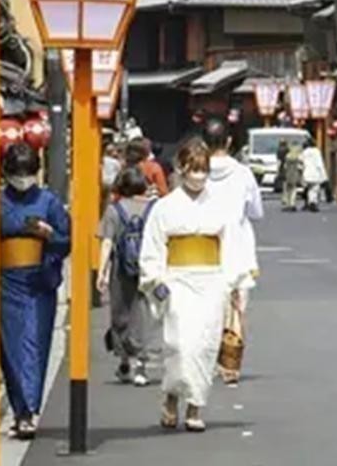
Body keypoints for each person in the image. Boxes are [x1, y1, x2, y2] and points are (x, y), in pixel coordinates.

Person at [140, 138, 236, 433]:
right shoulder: (164, 207)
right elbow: (153, 247)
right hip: (177, 280)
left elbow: (232, 246)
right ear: (181, 169)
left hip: (211, 280)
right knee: (180, 344)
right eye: (194, 169)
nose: (199, 176)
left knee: (205, 345)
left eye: (204, 170)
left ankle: (195, 405)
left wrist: (233, 283)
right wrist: (155, 279)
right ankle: (171, 396)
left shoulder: (220, 205)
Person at [0, 143, 71, 439]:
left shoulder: (48, 201)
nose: (22, 178)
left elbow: (65, 240)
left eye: (27, 172)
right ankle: (20, 410)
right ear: (6, 172)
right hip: (5, 281)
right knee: (10, 349)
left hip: (38, 280)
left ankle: (29, 410)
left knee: (35, 344)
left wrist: (49, 235)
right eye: (17, 173)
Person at [202, 117, 262, 385]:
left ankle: (208, 359)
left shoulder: (196, 172)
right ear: (228, 141)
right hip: (237, 248)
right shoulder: (243, 174)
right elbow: (256, 211)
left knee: (208, 308)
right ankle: (230, 364)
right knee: (237, 305)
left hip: (204, 247)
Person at [96, 166, 159, 387]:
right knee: (142, 313)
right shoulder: (153, 208)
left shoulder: (114, 210)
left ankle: (124, 361)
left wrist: (101, 271)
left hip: (121, 269)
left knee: (121, 313)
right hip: (148, 268)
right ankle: (141, 365)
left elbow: (107, 242)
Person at [301, 141, 328, 211]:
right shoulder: (317, 152)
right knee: (315, 188)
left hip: (306, 173)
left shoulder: (304, 152)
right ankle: (313, 202)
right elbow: (320, 164)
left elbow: (301, 162)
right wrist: (324, 176)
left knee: (309, 188)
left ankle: (308, 202)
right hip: (315, 173)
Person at [281, 143, 304, 212]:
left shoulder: (287, 156)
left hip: (288, 174)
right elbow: (300, 167)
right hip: (295, 174)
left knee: (288, 190)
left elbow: (285, 166)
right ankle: (292, 204)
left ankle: (288, 204)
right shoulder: (298, 157)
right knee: (294, 189)